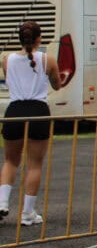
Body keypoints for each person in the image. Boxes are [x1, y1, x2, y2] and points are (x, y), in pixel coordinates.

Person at [0, 21, 60, 226]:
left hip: (15, 110)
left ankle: (2, 203)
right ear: (38, 39)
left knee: (10, 160)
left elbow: (10, 80)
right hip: (38, 111)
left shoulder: (7, 60)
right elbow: (57, 84)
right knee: (34, 164)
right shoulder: (47, 59)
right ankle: (27, 213)